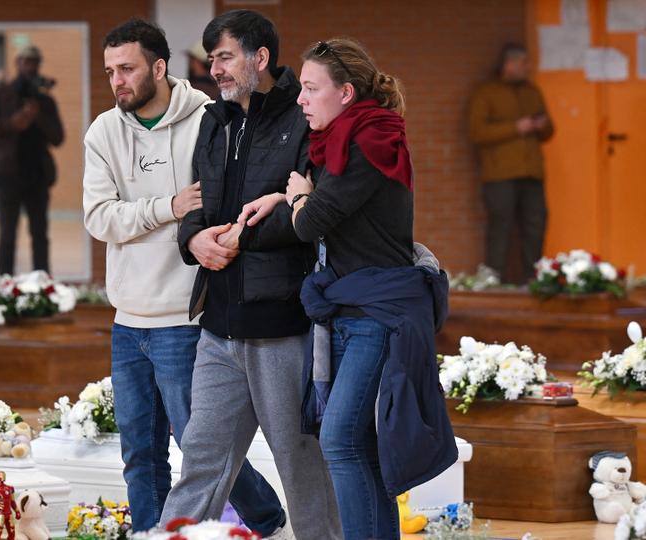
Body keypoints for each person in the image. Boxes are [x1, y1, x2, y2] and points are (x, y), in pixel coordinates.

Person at [238, 38, 458, 539]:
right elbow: (319, 204)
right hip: (353, 307)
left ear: (346, 93)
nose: (300, 98)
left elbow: (311, 220)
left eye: (312, 88)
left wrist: (296, 198)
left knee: (340, 439)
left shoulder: (367, 143)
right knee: (356, 441)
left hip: (378, 312)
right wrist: (288, 195)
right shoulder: (349, 138)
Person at [82, 19, 285, 534]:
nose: (117, 81)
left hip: (186, 314)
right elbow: (99, 218)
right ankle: (155, 533)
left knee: (199, 446)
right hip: (129, 317)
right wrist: (166, 207)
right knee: (139, 452)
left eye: (126, 69)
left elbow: (215, 207)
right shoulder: (103, 131)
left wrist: (184, 221)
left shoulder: (207, 120)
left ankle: (265, 517)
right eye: (109, 72)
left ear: (158, 66)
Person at [159, 11, 341, 540]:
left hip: (283, 326)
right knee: (200, 459)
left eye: (224, 56)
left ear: (259, 58)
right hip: (218, 326)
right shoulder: (213, 122)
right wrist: (193, 239)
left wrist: (245, 235)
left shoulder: (303, 119)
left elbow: (313, 209)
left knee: (301, 462)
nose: (213, 68)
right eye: (210, 58)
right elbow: (196, 200)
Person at [0, 45, 64, 275]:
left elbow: (58, 137)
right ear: (17, 63)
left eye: (34, 62)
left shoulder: (44, 101)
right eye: (25, 61)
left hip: (37, 175)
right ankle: (5, 286)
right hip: (7, 175)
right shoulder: (1, 93)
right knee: (7, 234)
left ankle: (43, 286)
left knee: (40, 235)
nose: (30, 67)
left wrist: (37, 117)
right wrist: (12, 123)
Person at [469, 42, 554, 283]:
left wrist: (542, 124)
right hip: (500, 174)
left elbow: (549, 133)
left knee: (536, 224)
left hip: (532, 172)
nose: (528, 67)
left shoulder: (531, 91)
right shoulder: (486, 93)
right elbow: (477, 132)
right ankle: (493, 279)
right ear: (509, 64)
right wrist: (516, 128)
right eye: (523, 63)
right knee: (501, 226)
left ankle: (533, 279)